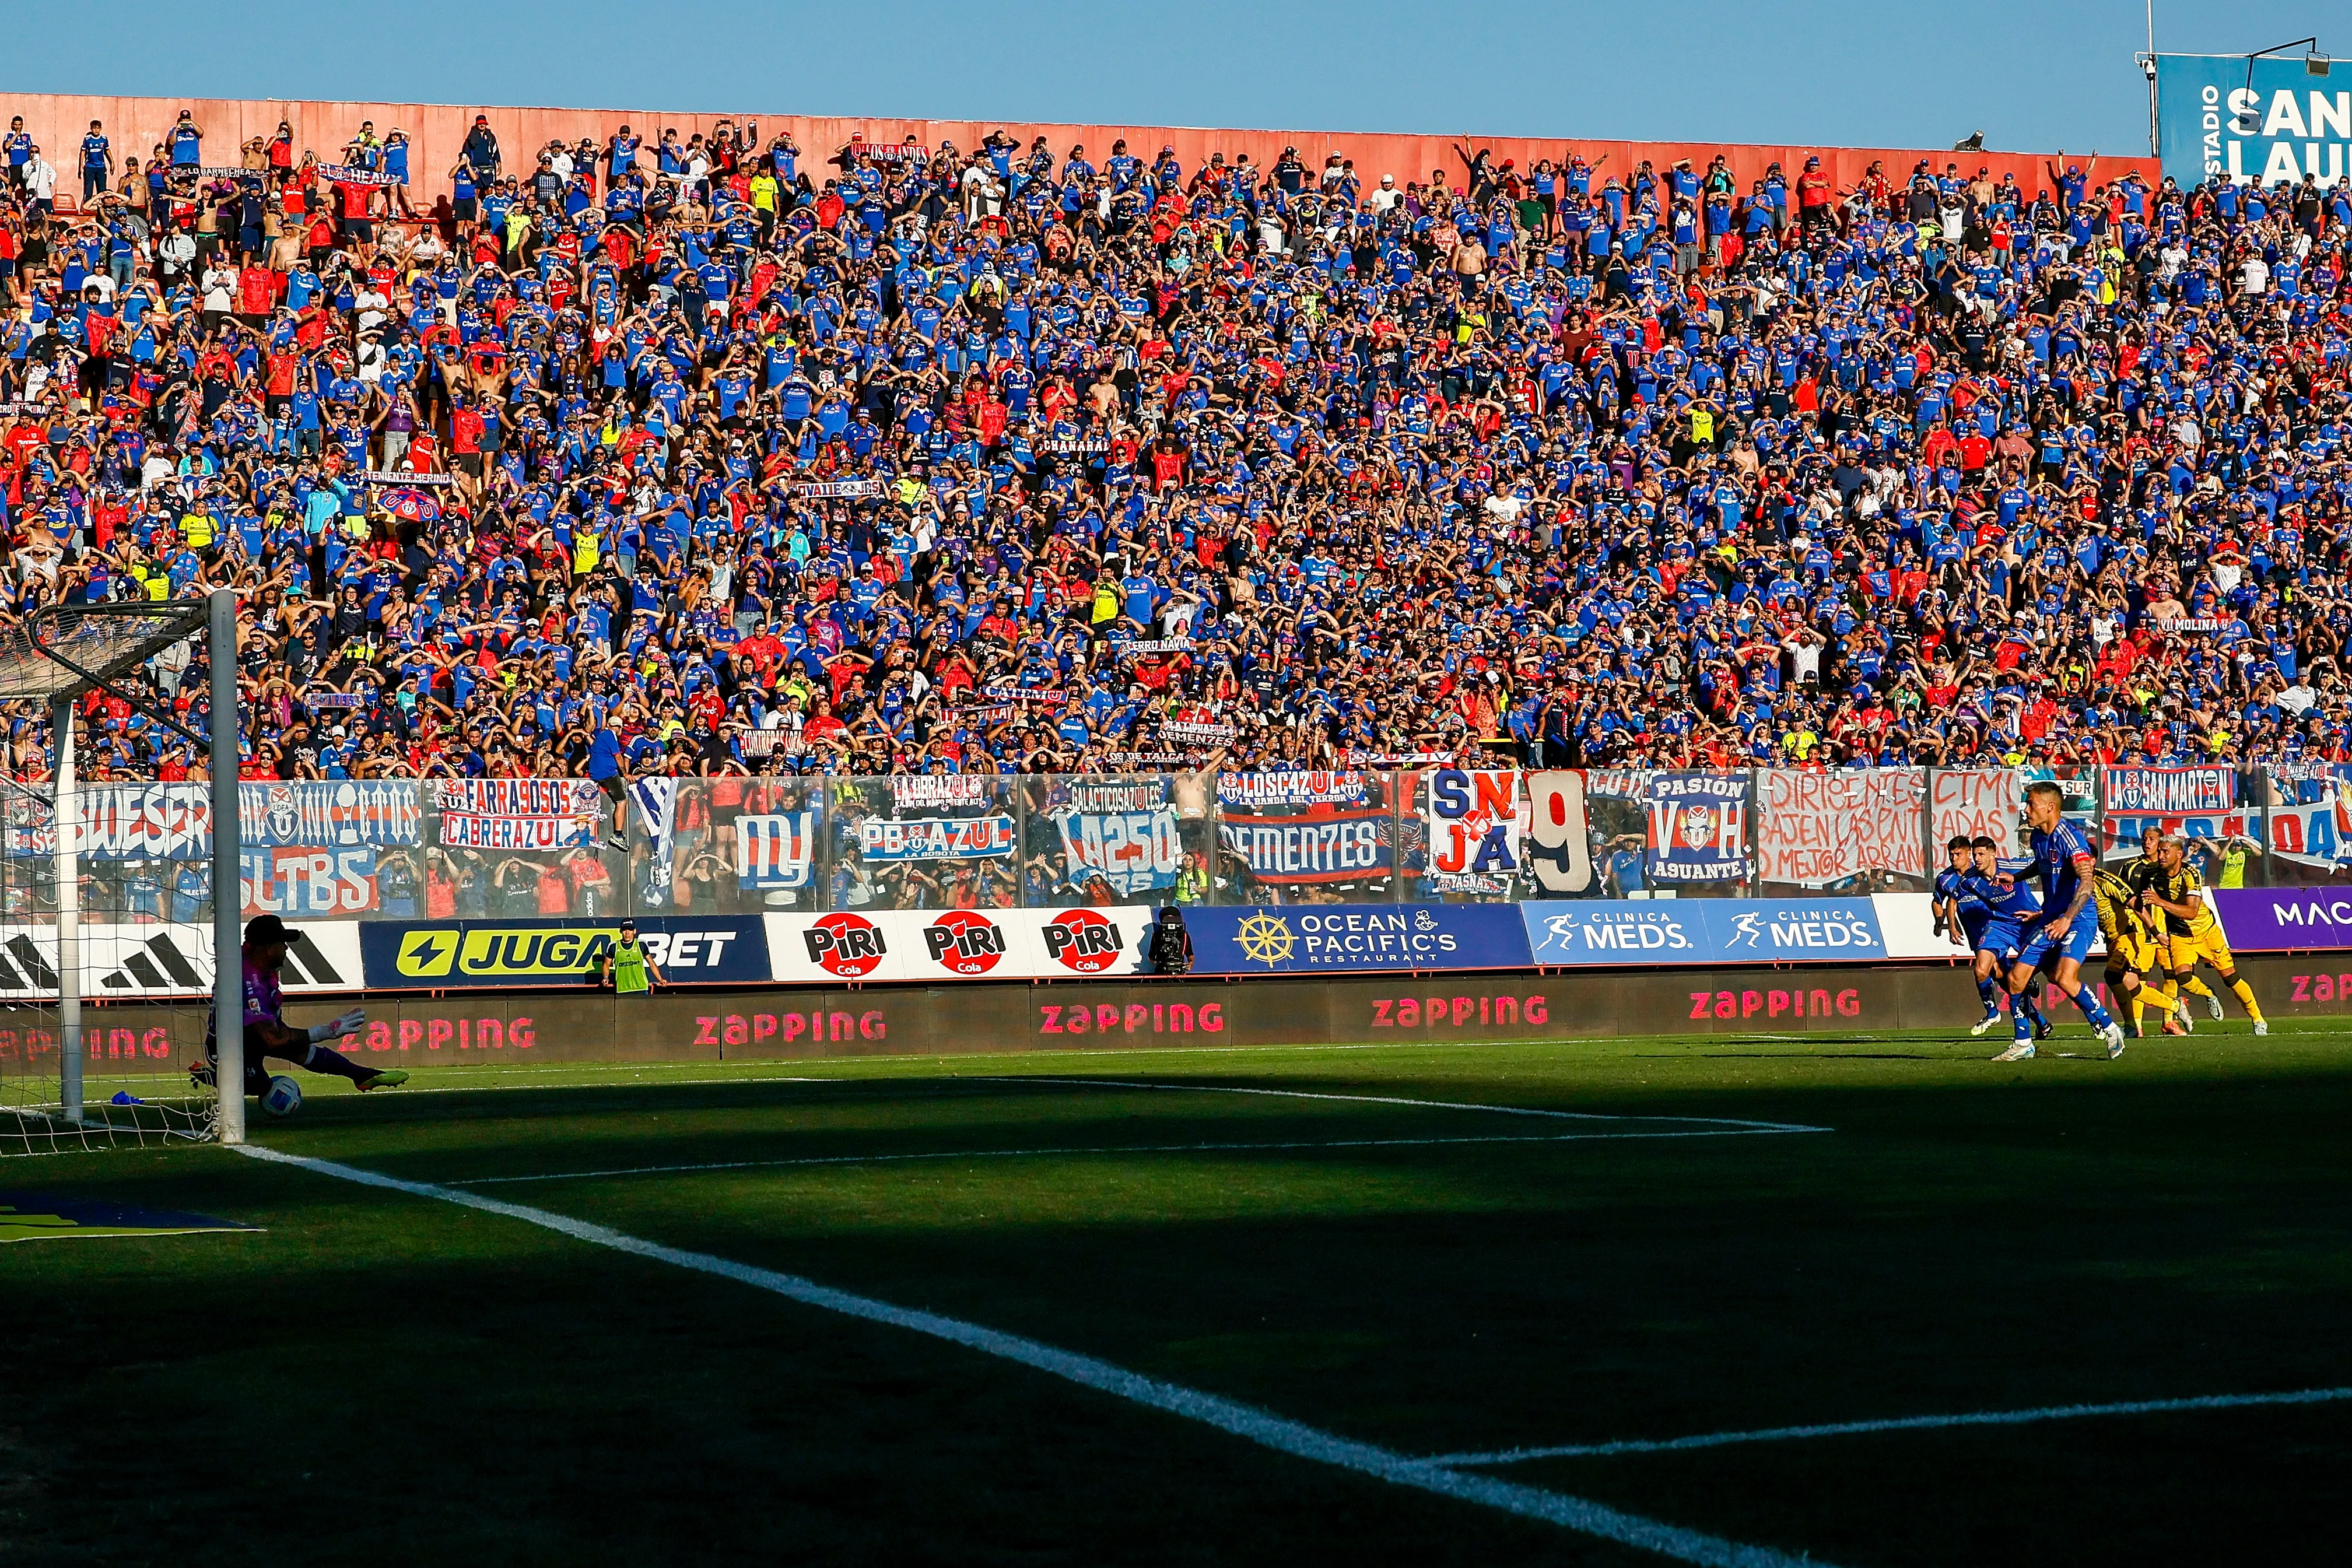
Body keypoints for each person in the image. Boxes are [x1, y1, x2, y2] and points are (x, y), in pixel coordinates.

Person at [192, 915, 408, 1096]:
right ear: (268, 949)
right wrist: (326, 1031)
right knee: (261, 1087)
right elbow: (273, 1039)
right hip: (231, 1048)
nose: (286, 948)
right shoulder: (251, 984)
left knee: (302, 1050)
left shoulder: (261, 967)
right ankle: (210, 1075)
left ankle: (363, 1076)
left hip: (253, 1032)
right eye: (281, 943)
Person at [1999, 781, 2125, 1062]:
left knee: (2064, 978)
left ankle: (2111, 1027)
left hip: (2078, 918)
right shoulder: (2037, 838)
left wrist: (2068, 918)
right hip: (2051, 919)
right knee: (2016, 979)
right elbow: (2042, 864)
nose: (2027, 810)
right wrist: (2016, 877)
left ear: (2050, 807)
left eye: (2031, 804)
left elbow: (2087, 880)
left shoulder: (2071, 837)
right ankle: (2023, 1043)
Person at [2141, 834, 2267, 1036]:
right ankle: (2209, 994)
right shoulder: (2151, 873)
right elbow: (2140, 904)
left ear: (2179, 854)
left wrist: (2160, 902)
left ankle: (2257, 1018)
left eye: (2166, 851)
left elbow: (2191, 912)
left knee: (2231, 979)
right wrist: (2155, 931)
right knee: (2182, 978)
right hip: (2180, 936)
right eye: (2160, 851)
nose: (2161, 855)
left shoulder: (2191, 875)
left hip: (2207, 933)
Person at [2091, 861, 2183, 1039]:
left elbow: (2137, 904)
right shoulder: (2072, 884)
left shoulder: (2106, 881)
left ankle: (2130, 1026)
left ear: (2092, 862)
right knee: (2132, 985)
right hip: (2112, 939)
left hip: (2129, 933)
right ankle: (2176, 1006)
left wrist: (2156, 932)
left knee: (2113, 975)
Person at [599, 917, 665, 995]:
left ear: (634, 931)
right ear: (621, 931)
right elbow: (606, 965)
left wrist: (660, 979)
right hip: (623, 989)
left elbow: (651, 963)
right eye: (624, 930)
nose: (627, 933)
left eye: (630, 930)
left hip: (641, 988)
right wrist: (606, 978)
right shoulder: (613, 946)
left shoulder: (641, 944)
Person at [1147, 906, 1193, 975]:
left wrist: (1190, 964)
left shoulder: (1184, 935)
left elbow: (1190, 955)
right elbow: (1151, 957)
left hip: (1179, 972)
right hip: (1161, 972)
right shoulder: (1157, 936)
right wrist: (1158, 963)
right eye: (1167, 919)